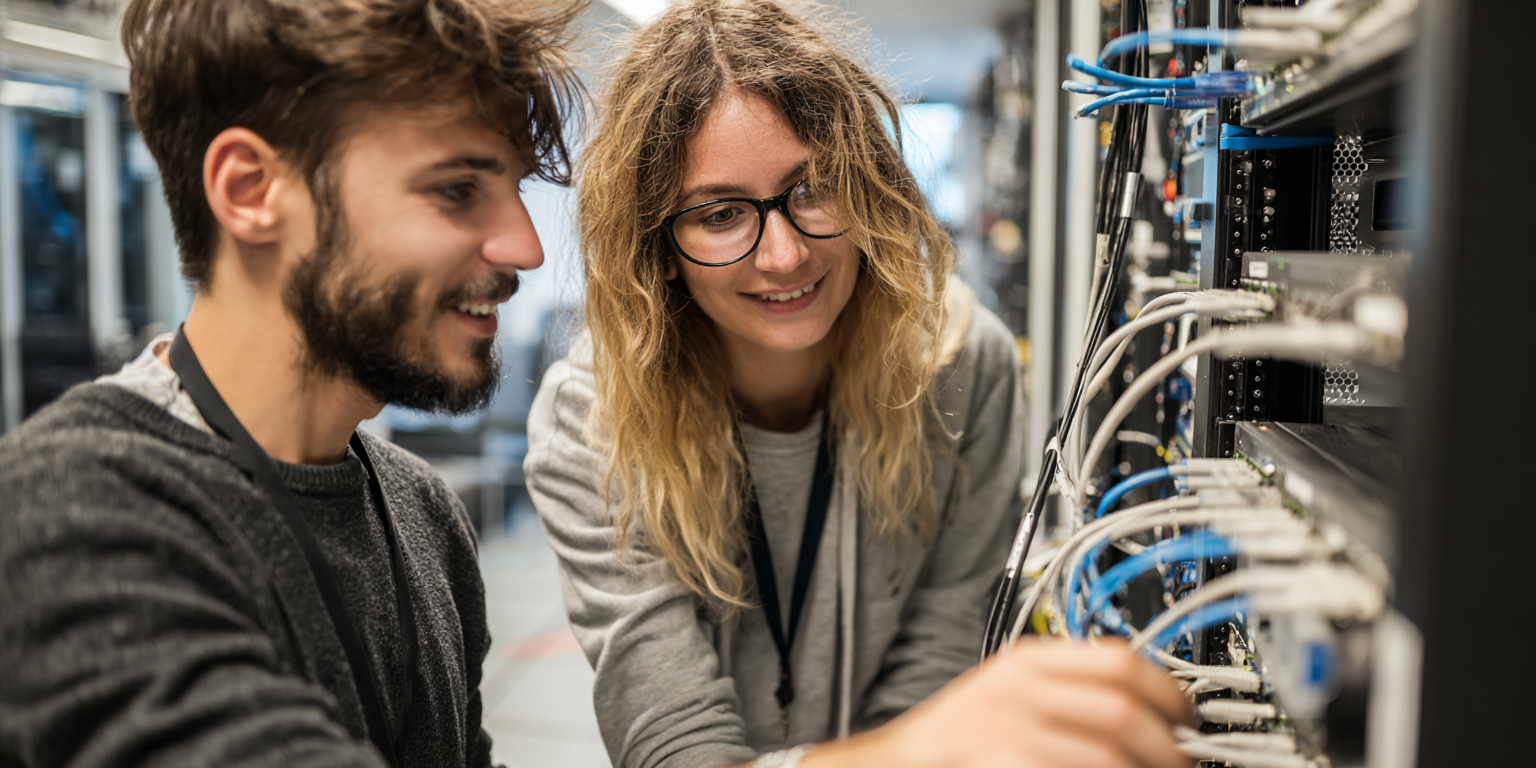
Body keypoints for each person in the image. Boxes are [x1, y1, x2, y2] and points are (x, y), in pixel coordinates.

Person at [524, 2, 1192, 768]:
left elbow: (936, 663)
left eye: (814, 187)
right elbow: (676, 750)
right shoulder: (594, 419)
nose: (783, 255)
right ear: (658, 248)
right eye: (722, 213)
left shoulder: (963, 366)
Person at [0, 0, 580, 764]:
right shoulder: (73, 511)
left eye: (516, 189)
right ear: (251, 190)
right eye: (457, 189)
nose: (526, 248)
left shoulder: (423, 514)